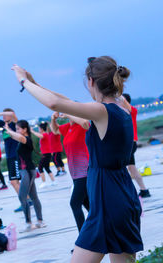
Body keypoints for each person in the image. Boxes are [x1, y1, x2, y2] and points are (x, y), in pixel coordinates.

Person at [12, 56, 143, 263]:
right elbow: (66, 103)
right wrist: (35, 83)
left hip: (107, 200)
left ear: (91, 81)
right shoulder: (121, 109)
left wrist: (23, 82)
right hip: (121, 196)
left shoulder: (102, 112)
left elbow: (55, 103)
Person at [50, 112, 90, 243]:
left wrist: (69, 113)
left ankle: (84, 240)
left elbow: (85, 122)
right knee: (88, 205)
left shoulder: (82, 125)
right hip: (75, 173)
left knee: (75, 203)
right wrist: (53, 119)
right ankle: (104, 228)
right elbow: (55, 130)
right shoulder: (68, 127)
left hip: (85, 172)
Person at [4, 120, 45, 232]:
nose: (17, 131)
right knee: (34, 197)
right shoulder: (22, 140)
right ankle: (39, 221)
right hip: (26, 171)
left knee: (22, 196)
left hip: (27, 171)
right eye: (16, 129)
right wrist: (9, 130)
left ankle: (29, 223)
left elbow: (15, 135)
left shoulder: (26, 139)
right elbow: (13, 136)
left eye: (18, 129)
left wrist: (8, 129)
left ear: (25, 129)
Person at [0, 109, 22, 211]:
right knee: (15, 181)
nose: (3, 117)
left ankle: (26, 201)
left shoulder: (15, 125)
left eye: (5, 115)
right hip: (9, 156)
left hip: (15, 155)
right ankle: (26, 200)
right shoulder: (4, 125)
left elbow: (12, 114)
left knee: (14, 181)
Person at [122, 93, 151, 198]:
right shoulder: (122, 113)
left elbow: (123, 101)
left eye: (122, 100)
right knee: (131, 168)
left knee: (127, 168)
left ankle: (137, 191)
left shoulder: (132, 111)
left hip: (131, 143)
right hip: (126, 143)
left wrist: (116, 93)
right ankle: (144, 190)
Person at [31, 122, 56, 188]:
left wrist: (32, 131)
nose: (38, 129)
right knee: (47, 168)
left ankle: (44, 182)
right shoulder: (46, 134)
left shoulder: (44, 134)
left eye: (39, 128)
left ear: (41, 129)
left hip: (46, 154)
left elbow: (40, 136)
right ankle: (53, 181)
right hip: (46, 153)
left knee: (40, 167)